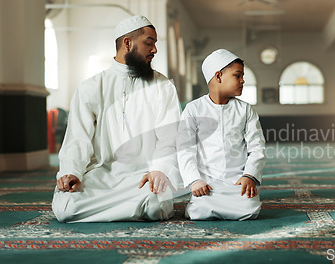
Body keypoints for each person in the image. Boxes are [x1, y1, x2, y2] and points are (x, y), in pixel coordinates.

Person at [52, 15, 181, 223]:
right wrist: (71, 172)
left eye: (155, 44)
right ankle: (131, 209)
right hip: (101, 176)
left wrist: (159, 169)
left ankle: (110, 209)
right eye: (149, 43)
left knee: (155, 205)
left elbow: (169, 138)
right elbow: (77, 138)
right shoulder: (91, 87)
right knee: (65, 208)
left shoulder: (163, 86)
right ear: (127, 43)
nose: (155, 50)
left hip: (143, 176)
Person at [177, 49, 266, 220]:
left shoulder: (245, 109)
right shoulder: (194, 109)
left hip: (238, 182)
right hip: (207, 183)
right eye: (237, 75)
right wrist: (194, 180)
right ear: (218, 76)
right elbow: (184, 150)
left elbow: (257, 147)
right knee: (199, 210)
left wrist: (249, 176)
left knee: (249, 208)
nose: (243, 80)